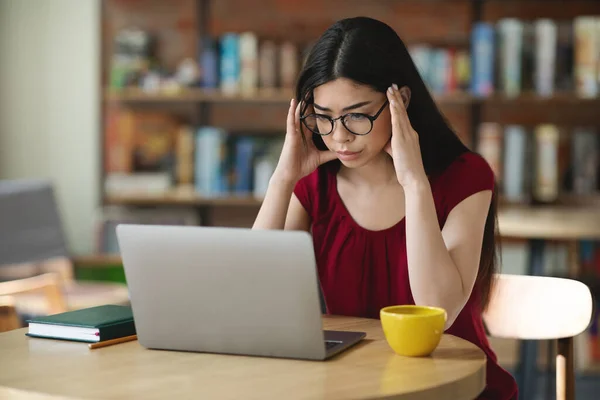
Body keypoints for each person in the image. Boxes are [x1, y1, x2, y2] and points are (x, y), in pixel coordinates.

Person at [253, 16, 517, 399]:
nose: (339, 136)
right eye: (324, 118)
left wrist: (414, 183)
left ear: (400, 101)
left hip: (455, 386)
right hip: (356, 384)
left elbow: (437, 310)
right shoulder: (316, 185)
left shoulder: (465, 176)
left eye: (357, 115)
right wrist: (282, 179)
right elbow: (254, 290)